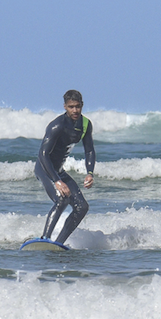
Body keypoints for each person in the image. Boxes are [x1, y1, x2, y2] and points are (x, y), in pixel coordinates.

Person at [35, 89, 95, 245]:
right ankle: (44, 240)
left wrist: (90, 173)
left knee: (82, 207)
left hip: (59, 171)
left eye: (77, 106)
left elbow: (89, 150)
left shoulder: (85, 124)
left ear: (82, 105)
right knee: (62, 199)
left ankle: (58, 244)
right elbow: (43, 154)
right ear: (65, 107)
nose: (75, 110)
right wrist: (57, 180)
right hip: (45, 169)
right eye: (71, 107)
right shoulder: (57, 125)